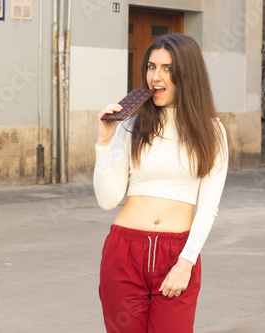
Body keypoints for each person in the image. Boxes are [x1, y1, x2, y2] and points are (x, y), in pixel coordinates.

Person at [93, 33, 228, 333]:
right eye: (151, 67)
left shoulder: (211, 131)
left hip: (177, 253)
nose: (156, 76)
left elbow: (208, 207)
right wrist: (104, 142)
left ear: (187, 74)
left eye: (167, 68)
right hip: (124, 252)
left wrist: (186, 262)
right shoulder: (130, 124)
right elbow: (107, 199)